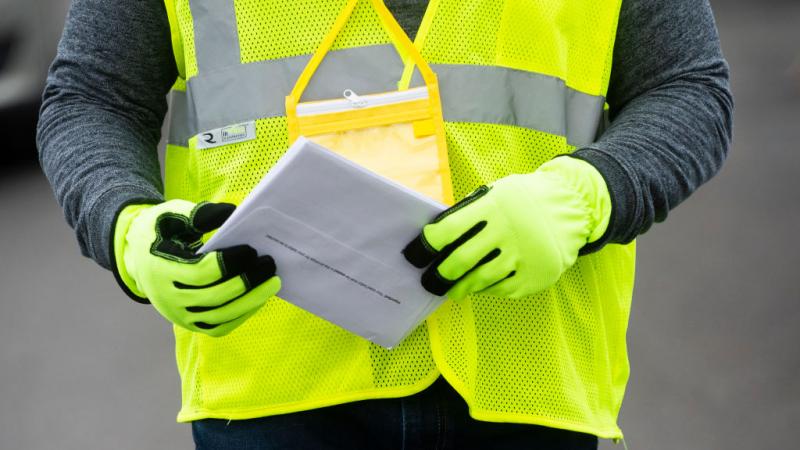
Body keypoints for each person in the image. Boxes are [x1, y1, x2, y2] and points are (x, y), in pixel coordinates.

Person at [37, 0, 733, 448]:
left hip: (524, 383)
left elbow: (688, 86)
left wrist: (586, 197)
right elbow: (91, 96)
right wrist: (127, 227)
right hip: (274, 397)